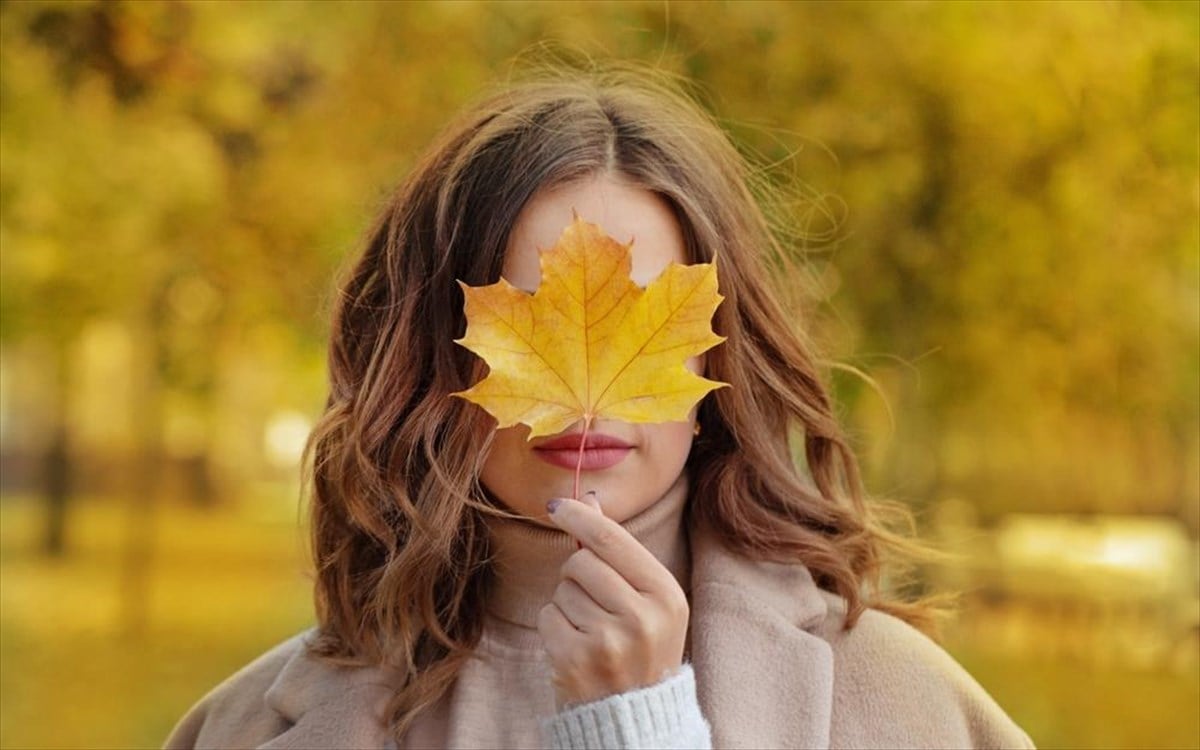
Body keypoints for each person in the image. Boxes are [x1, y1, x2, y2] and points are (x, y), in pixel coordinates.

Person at [165, 65, 1035, 750]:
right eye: (519, 318)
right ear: (429, 362)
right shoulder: (240, 729)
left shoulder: (903, 708)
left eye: (647, 327)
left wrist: (636, 730)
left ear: (717, 354)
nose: (591, 392)